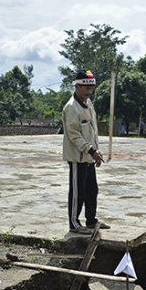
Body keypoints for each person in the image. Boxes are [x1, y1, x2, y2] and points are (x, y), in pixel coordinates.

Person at [62, 70, 109, 234]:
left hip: (89, 155)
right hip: (78, 157)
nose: (89, 92)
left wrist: (96, 151)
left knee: (92, 190)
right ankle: (74, 224)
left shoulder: (89, 105)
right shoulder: (71, 108)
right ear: (77, 86)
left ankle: (91, 220)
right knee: (77, 192)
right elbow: (74, 135)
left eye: (91, 88)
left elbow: (92, 131)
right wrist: (91, 150)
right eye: (85, 88)